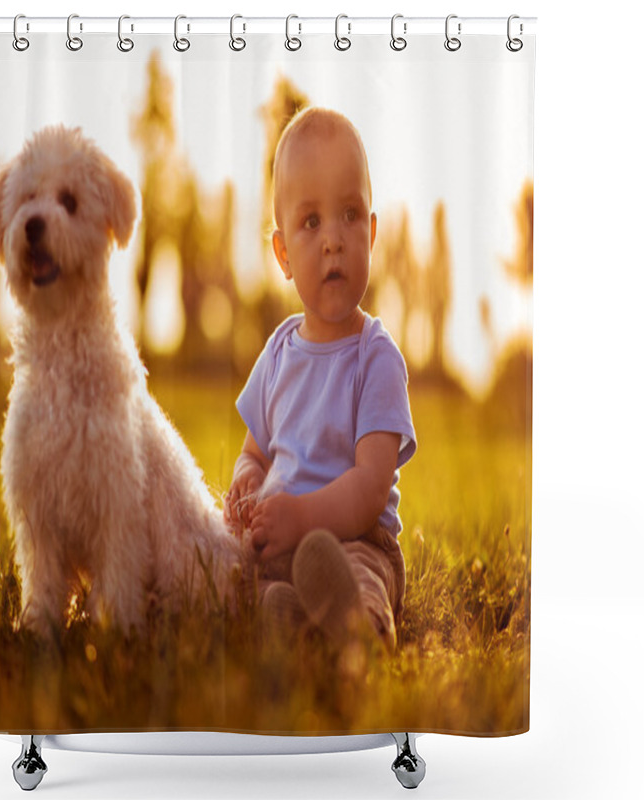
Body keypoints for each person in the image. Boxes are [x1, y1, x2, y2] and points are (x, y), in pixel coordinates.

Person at [224, 107, 416, 649]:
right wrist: (246, 480)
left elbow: (369, 486)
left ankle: (362, 631)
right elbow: (254, 451)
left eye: (350, 214)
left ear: (372, 234)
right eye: (311, 222)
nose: (333, 239)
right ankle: (302, 629)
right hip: (282, 545)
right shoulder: (280, 351)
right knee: (252, 584)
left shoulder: (375, 356)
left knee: (355, 572)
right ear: (283, 254)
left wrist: (302, 518)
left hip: (356, 540)